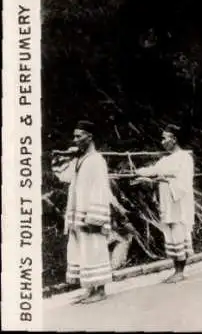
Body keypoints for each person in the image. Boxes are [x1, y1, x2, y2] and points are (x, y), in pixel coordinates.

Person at [52, 120, 113, 304]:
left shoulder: (97, 160)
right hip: (77, 213)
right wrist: (60, 156)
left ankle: (100, 290)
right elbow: (64, 176)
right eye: (75, 136)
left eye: (79, 136)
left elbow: (101, 189)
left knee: (95, 248)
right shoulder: (79, 159)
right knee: (83, 251)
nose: (75, 139)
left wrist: (95, 217)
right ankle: (89, 289)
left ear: (90, 136)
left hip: (90, 215)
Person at [135, 125, 195, 284]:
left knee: (179, 232)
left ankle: (180, 271)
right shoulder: (165, 159)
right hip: (168, 201)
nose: (162, 142)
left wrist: (163, 179)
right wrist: (138, 172)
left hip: (179, 201)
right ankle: (176, 269)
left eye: (165, 138)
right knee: (170, 233)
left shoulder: (185, 157)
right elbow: (154, 170)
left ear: (174, 139)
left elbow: (185, 182)